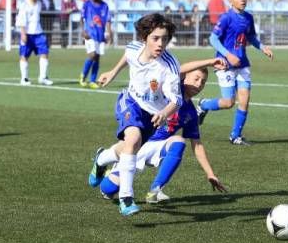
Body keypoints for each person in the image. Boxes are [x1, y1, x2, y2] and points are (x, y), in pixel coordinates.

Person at [88, 13, 183, 216]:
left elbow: (177, 100)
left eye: (165, 39)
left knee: (128, 147)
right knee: (133, 139)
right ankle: (126, 198)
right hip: (130, 101)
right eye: (155, 38)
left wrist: (165, 113)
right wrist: (112, 73)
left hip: (153, 115)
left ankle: (101, 159)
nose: (160, 44)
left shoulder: (170, 66)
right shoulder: (134, 48)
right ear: (144, 37)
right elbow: (127, 56)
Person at [96, 61, 228, 204]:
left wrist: (210, 174)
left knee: (178, 141)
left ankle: (155, 190)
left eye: (203, 82)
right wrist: (210, 62)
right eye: (196, 79)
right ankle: (105, 161)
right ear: (185, 78)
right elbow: (179, 70)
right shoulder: (170, 89)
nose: (199, 84)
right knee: (109, 190)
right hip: (139, 141)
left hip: (158, 146)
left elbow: (197, 145)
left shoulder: (190, 112)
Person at [196, 0, 274, 146]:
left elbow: (251, 37)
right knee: (228, 102)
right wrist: (228, 55)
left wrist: (262, 47)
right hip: (225, 65)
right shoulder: (226, 18)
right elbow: (213, 39)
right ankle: (204, 105)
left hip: (243, 64)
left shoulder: (248, 18)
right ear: (231, 1)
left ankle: (235, 135)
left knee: (244, 100)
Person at [16, 0, 53, 86]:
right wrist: (23, 33)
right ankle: (24, 79)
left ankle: (43, 77)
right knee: (24, 55)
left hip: (39, 33)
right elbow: (20, 20)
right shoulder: (24, 5)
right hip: (27, 34)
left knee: (44, 53)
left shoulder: (39, 4)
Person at [79, 0, 112, 89]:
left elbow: (108, 20)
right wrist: (83, 31)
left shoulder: (104, 6)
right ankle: (83, 75)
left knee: (97, 58)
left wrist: (109, 33)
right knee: (92, 54)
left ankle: (92, 80)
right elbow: (81, 18)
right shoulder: (86, 4)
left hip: (100, 35)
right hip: (89, 34)